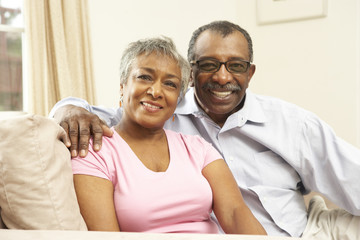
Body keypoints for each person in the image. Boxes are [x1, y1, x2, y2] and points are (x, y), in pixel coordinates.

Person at [51, 21, 360, 238]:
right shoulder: (151, 117)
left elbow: (351, 178)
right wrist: (66, 106)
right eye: (209, 65)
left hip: (308, 231)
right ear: (193, 74)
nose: (223, 78)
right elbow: (93, 114)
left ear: (250, 73)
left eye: (236, 66)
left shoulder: (291, 124)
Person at [70, 36, 266, 234]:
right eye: (144, 77)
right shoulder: (94, 152)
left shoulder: (199, 148)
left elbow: (234, 213)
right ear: (122, 86)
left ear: (178, 99)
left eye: (170, 84)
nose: (156, 92)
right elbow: (106, 236)